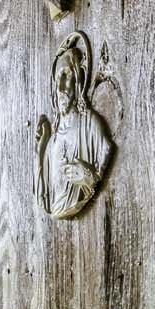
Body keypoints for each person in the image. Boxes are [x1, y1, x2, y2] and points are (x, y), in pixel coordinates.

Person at [36, 31, 112, 219]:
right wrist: (40, 150)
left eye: (66, 76)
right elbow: (44, 196)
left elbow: (102, 159)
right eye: (57, 80)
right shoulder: (52, 141)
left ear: (78, 81)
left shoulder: (90, 126)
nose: (60, 87)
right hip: (59, 207)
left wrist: (87, 176)